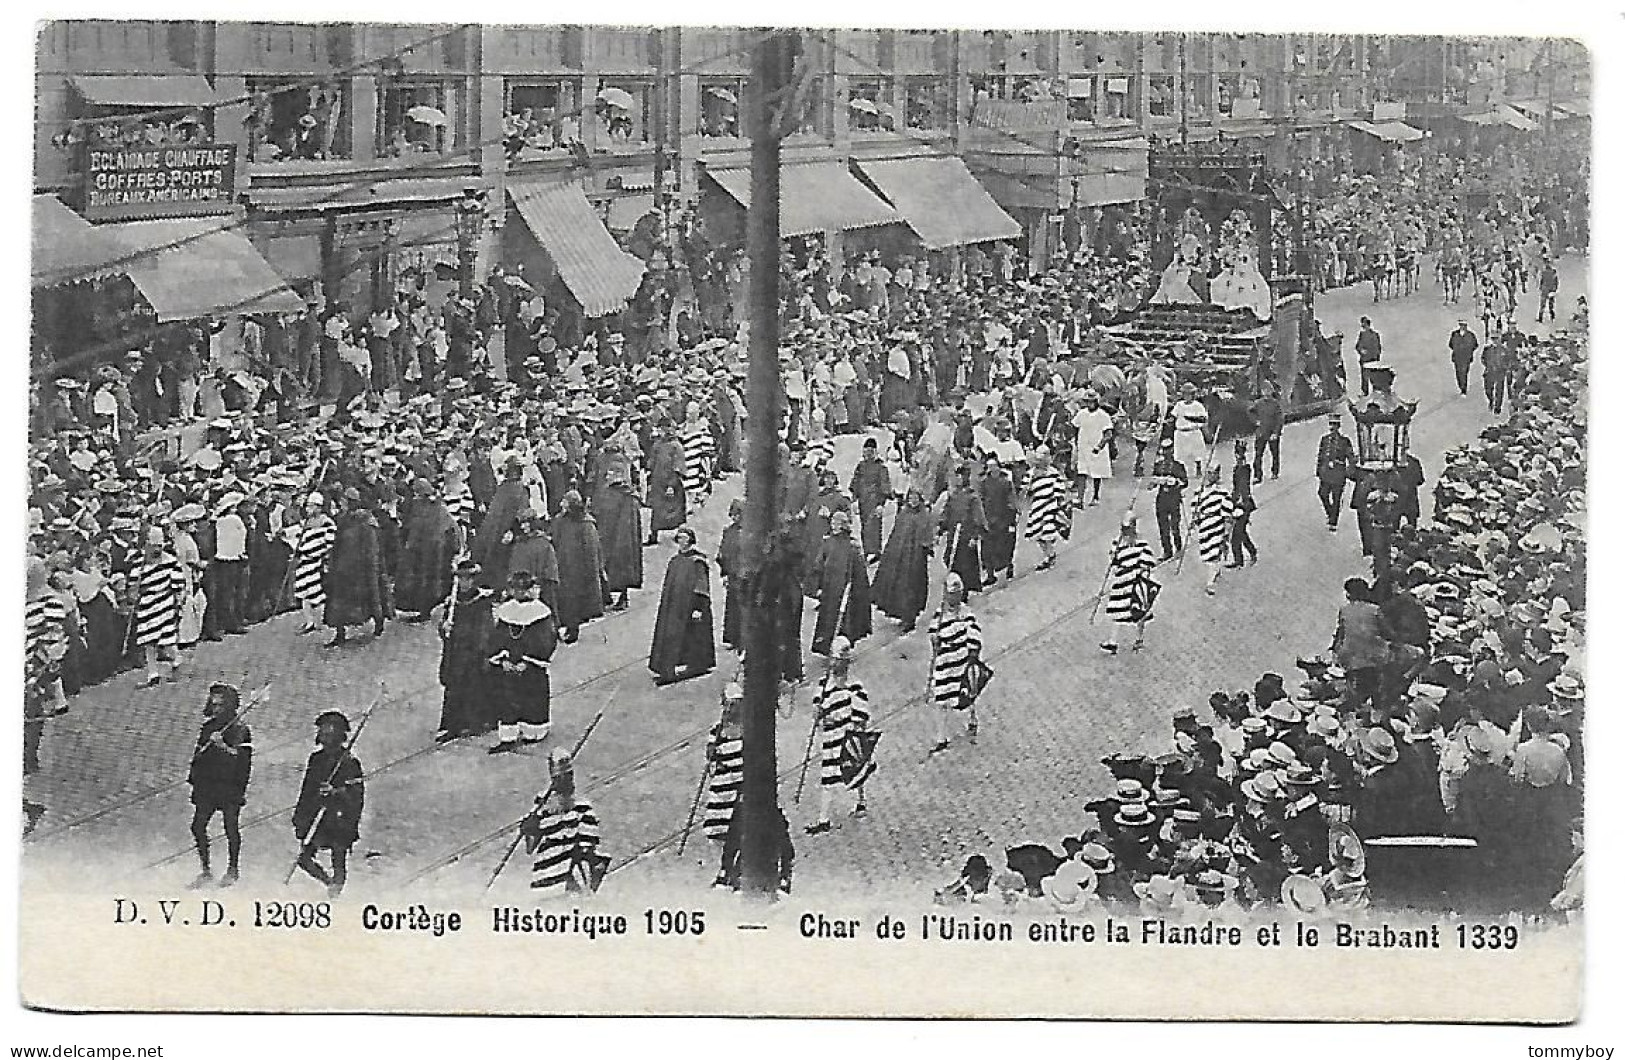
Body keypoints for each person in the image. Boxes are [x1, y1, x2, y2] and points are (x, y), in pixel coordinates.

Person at [291, 710, 364, 897]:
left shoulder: (349, 762)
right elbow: (307, 789)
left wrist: (336, 792)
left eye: (330, 733)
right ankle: (328, 883)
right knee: (304, 859)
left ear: (340, 736)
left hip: (339, 818)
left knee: (338, 860)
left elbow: (356, 793)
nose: (325, 737)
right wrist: (300, 815)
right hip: (317, 816)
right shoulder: (316, 759)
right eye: (323, 732)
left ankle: (336, 890)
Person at [187, 683, 253, 889]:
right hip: (208, 786)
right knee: (198, 826)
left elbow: (242, 761)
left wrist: (222, 746)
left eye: (221, 705)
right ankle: (206, 870)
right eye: (214, 705)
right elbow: (199, 755)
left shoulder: (240, 729)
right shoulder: (208, 727)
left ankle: (233, 869)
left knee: (230, 828)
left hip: (229, 786)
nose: (216, 709)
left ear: (230, 706)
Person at [807, 638, 875, 834]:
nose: (836, 665)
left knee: (856, 770)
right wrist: (819, 715)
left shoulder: (855, 686)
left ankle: (861, 802)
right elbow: (817, 713)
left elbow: (861, 713)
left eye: (840, 661)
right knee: (828, 777)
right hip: (831, 737)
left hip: (848, 735)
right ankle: (823, 817)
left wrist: (855, 728)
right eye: (834, 660)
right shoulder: (822, 687)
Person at [487, 570, 558, 753]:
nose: (520, 593)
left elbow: (544, 641)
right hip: (510, 662)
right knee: (508, 697)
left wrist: (527, 662)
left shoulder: (540, 612)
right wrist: (503, 659)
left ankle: (533, 731)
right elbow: (498, 637)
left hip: (530, 665)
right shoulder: (506, 611)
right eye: (516, 590)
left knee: (532, 696)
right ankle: (509, 733)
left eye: (523, 590)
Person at [523, 748, 606, 895]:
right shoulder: (542, 805)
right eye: (559, 777)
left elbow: (589, 847)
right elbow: (530, 847)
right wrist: (530, 827)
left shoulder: (582, 806)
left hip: (573, 873)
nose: (565, 781)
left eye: (568, 776)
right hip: (547, 871)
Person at [436, 558, 496, 742]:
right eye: (461, 579)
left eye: (468, 579)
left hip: (473, 652)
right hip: (455, 652)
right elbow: (445, 627)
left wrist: (479, 649)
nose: (464, 583)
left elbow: (485, 630)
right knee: (453, 688)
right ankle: (452, 725)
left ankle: (474, 723)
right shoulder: (452, 602)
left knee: (474, 687)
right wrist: (444, 627)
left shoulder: (481, 602)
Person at [649, 526, 715, 686]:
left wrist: (698, 607)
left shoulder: (698, 561)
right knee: (671, 636)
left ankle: (697, 664)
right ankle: (666, 667)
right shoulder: (675, 561)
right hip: (674, 607)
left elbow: (701, 586)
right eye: (679, 538)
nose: (681, 541)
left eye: (684, 538)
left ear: (690, 539)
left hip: (690, 607)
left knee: (692, 636)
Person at [927, 573, 985, 754]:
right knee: (941, 700)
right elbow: (933, 631)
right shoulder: (940, 613)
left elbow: (975, 636)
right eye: (950, 595)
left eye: (956, 595)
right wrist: (934, 639)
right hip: (945, 662)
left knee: (966, 695)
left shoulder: (966, 614)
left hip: (961, 660)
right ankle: (941, 737)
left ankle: (972, 718)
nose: (953, 598)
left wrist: (972, 655)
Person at [323, 489, 384, 646]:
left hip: (361, 570)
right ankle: (340, 633)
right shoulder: (343, 519)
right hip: (342, 568)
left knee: (371, 597)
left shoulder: (366, 522)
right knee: (337, 601)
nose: (341, 505)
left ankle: (379, 622)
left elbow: (372, 549)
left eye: (344, 501)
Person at [808, 509, 872, 657]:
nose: (834, 526)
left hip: (845, 591)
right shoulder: (827, 542)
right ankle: (826, 646)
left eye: (837, 523)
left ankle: (841, 647)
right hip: (830, 589)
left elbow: (859, 572)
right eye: (832, 523)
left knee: (844, 620)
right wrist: (817, 587)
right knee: (828, 618)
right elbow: (818, 565)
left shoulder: (852, 546)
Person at [871, 487, 934, 633]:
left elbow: (927, 535)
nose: (913, 501)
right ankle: (901, 614)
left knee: (911, 588)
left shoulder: (924, 515)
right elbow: (896, 534)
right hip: (900, 558)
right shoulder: (904, 513)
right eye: (910, 497)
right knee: (899, 587)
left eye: (915, 498)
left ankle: (910, 618)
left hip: (915, 559)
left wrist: (925, 547)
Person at [395, 478, 459, 620]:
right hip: (424, 552)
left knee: (429, 582)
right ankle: (425, 609)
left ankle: (426, 612)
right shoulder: (427, 507)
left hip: (433, 553)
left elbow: (449, 529)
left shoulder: (435, 509)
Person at [703, 683, 746, 883]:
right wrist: (711, 751)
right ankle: (723, 866)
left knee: (737, 830)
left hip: (740, 786)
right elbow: (710, 754)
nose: (729, 709)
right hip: (721, 787)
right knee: (716, 830)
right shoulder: (717, 729)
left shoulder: (749, 729)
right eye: (727, 705)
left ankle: (731, 869)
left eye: (734, 705)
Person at [551, 490, 606, 643]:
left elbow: (591, 551)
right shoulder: (560, 520)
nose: (561, 503)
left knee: (574, 601)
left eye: (565, 501)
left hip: (578, 569)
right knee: (564, 599)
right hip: (562, 566)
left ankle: (572, 629)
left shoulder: (586, 524)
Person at [132, 525, 184, 686]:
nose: (156, 549)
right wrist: (135, 589)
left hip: (164, 604)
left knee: (167, 640)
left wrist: (178, 604)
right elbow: (133, 584)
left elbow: (178, 584)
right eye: (153, 546)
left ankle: (176, 662)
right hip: (146, 605)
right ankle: (153, 673)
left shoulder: (170, 562)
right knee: (149, 641)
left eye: (159, 546)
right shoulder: (138, 562)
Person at [1330, 578, 1388, 719]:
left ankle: (1354, 705)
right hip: (1375, 655)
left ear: (1349, 594)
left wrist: (1335, 651)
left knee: (1356, 684)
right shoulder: (1375, 610)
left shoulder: (1344, 610)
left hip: (1350, 657)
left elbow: (1341, 633)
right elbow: (1386, 632)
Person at [1099, 513, 1157, 654]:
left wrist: (1141, 570)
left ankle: (1139, 639)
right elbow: (1113, 560)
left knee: (1139, 612)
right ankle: (1113, 642)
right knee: (1118, 612)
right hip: (1121, 582)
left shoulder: (1142, 544)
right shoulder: (1117, 543)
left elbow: (1149, 562)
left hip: (1136, 583)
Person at [593, 466, 644, 612]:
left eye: (610, 474)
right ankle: (607, 596)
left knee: (622, 568)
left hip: (621, 539)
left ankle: (623, 597)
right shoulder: (607, 493)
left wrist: (623, 540)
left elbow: (629, 523)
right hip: (606, 535)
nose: (607, 477)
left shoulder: (628, 498)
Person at [938, 464, 987, 593]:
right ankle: (952, 590)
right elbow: (947, 513)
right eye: (957, 477)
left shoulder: (973, 497)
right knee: (951, 561)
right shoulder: (953, 495)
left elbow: (978, 517)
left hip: (966, 537)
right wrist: (941, 529)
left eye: (961, 477)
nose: (959, 479)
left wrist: (975, 536)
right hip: (953, 535)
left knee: (966, 565)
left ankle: (963, 592)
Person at [1191, 462, 1234, 597]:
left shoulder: (1222, 492)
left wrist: (1226, 531)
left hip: (1216, 524)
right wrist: (1195, 517)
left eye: (1214, 473)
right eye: (1209, 473)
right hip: (1204, 525)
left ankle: (1210, 583)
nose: (1211, 476)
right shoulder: (1199, 491)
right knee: (1206, 553)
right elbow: (1195, 506)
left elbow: (1227, 512)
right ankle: (1215, 572)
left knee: (1214, 554)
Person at [1024, 448, 1069, 572]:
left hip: (1050, 506)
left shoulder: (1054, 473)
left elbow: (1060, 490)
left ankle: (1049, 556)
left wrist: (1058, 505)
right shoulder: (1031, 473)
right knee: (1037, 534)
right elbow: (1025, 490)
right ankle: (1048, 554)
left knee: (1046, 533)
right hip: (1037, 506)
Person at [849, 437, 892, 562]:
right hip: (863, 501)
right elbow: (855, 483)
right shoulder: (861, 466)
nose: (868, 454)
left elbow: (884, 486)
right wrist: (854, 500)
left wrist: (881, 504)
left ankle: (875, 551)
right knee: (864, 526)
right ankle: (867, 550)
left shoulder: (881, 467)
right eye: (866, 451)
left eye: (871, 451)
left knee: (873, 526)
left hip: (874, 500)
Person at [1070, 388, 1114, 506]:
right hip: (1084, 446)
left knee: (1096, 473)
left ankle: (1095, 496)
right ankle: (1080, 498)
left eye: (1092, 401)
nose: (1090, 404)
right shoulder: (1081, 414)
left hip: (1096, 448)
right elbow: (1074, 427)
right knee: (1082, 471)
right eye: (1087, 401)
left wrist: (1099, 446)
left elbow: (1108, 434)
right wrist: (1075, 442)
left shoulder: (1103, 416)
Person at [1315, 417, 1356, 531]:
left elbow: (1351, 457)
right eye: (1331, 425)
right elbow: (1320, 455)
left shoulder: (1345, 441)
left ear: (1339, 427)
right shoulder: (1324, 439)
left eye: (1335, 425)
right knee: (1322, 494)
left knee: (1336, 497)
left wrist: (1349, 470)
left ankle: (1334, 521)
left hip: (1338, 473)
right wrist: (1318, 470)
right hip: (1326, 473)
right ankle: (1330, 512)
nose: (1333, 428)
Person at [1149, 440, 1187, 560]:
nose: (1166, 453)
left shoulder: (1178, 466)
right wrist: (1153, 483)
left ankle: (1178, 547)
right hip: (1162, 498)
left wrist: (1176, 482)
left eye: (1168, 450)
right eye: (1164, 450)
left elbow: (1185, 482)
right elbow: (1153, 481)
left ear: (1172, 450)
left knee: (1174, 525)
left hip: (1174, 497)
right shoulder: (1158, 466)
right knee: (1163, 526)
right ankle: (1167, 551)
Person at [717, 500, 745, 652]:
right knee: (732, 606)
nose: (735, 518)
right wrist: (724, 573)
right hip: (732, 574)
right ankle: (732, 637)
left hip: (746, 576)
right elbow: (722, 554)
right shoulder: (728, 532)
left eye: (738, 515)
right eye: (733, 515)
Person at [1228, 440, 1259, 568]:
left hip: (1244, 505)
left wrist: (1241, 500)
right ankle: (1247, 554)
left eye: (1239, 455)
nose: (1238, 457)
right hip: (1237, 504)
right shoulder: (1238, 468)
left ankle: (1242, 558)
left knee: (1237, 534)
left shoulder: (1245, 468)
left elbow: (1243, 487)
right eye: (1237, 455)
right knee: (1241, 533)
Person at [1169, 384, 1209, 480]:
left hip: (1193, 431)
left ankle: (1198, 469)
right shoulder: (1179, 405)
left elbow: (1203, 419)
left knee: (1197, 452)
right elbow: (1173, 416)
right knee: (1180, 454)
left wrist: (1190, 418)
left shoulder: (1198, 406)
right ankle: (1182, 473)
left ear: (1193, 395)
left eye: (1189, 394)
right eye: (1185, 394)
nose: (1186, 396)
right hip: (1181, 432)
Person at [1250, 382, 1283, 482]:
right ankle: (1257, 475)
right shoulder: (1258, 403)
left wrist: (1276, 433)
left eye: (1268, 390)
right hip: (1261, 433)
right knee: (1258, 454)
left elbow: (1279, 419)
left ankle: (1274, 472)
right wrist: (1255, 421)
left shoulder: (1275, 404)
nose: (1266, 392)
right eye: (1264, 390)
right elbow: (1250, 412)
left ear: (1271, 391)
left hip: (1272, 432)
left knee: (1275, 454)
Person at [1448, 320, 1479, 397]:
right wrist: (1456, 350)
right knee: (1458, 373)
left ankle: (1463, 389)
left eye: (1464, 325)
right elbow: (1450, 344)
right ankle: (1461, 386)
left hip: (1466, 357)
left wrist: (1469, 351)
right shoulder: (1454, 334)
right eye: (1461, 325)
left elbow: (1475, 345)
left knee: (1464, 372)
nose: (1462, 327)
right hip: (1457, 356)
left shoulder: (1471, 335)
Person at [1482, 333, 1510, 415]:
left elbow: (1508, 360)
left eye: (1496, 338)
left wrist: (1504, 367)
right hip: (1490, 371)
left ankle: (1498, 408)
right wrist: (1487, 365)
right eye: (1493, 339)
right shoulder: (1487, 349)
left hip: (1500, 372)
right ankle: (1491, 400)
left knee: (1499, 390)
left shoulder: (1504, 349)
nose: (1495, 340)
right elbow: (1483, 359)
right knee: (1488, 389)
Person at [1355, 316, 1382, 396]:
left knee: (1374, 377)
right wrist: (1361, 351)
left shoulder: (1375, 335)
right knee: (1364, 378)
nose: (1364, 326)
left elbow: (1378, 347)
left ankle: (1375, 392)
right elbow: (1358, 346)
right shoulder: (1362, 335)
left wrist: (1377, 357)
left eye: (1365, 324)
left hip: (1373, 359)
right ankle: (1364, 393)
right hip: (1364, 359)